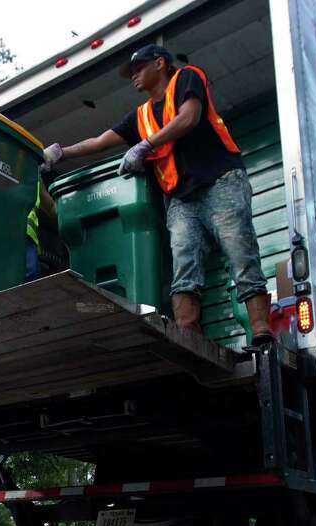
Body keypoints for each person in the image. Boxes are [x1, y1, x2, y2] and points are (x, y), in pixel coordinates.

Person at [42, 44, 273, 344]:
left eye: (139, 68)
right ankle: (189, 336)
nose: (134, 76)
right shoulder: (140, 116)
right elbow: (100, 141)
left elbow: (189, 117)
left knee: (241, 253)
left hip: (221, 182)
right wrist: (60, 152)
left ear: (160, 64)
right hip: (180, 199)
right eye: (132, 72)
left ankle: (260, 330)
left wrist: (145, 146)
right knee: (184, 267)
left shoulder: (187, 78)